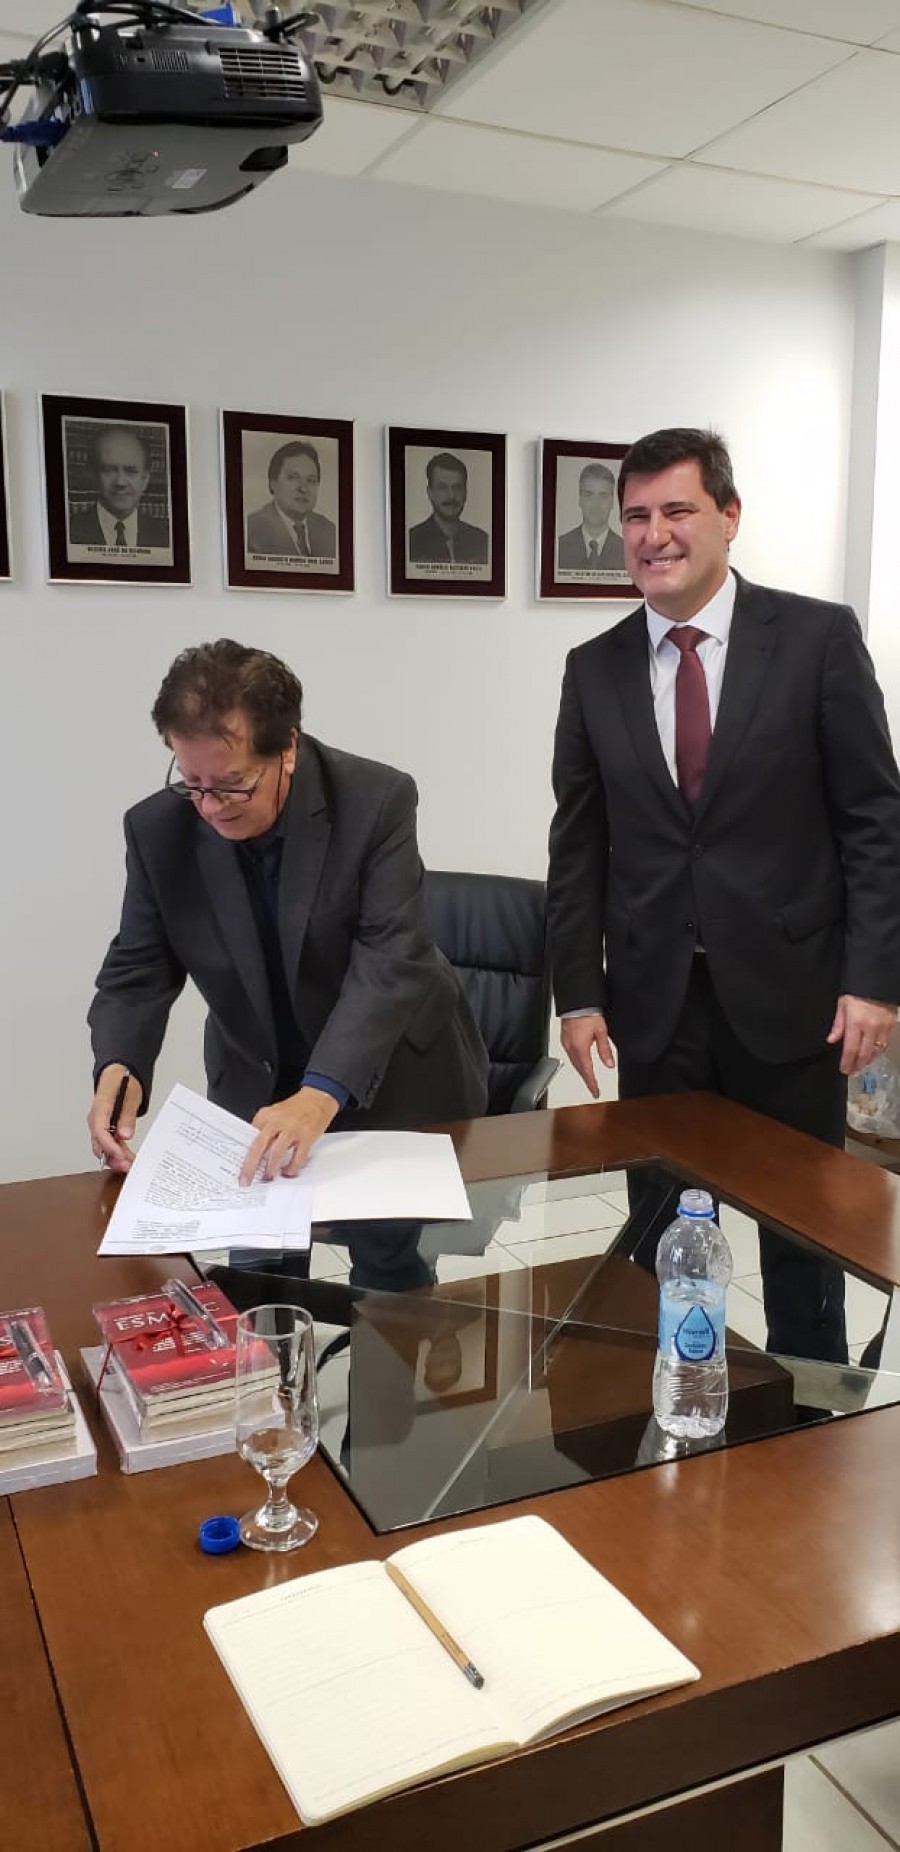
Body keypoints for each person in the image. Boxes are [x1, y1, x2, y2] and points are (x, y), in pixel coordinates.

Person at [547, 426, 900, 1363]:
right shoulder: (594, 668)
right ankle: (674, 1400)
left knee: (803, 1241)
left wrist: (875, 980)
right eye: (635, 517)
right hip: (655, 1006)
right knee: (661, 1234)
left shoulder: (817, 640)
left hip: (796, 1001)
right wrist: (578, 994)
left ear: (729, 516)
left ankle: (812, 1409)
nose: (653, 535)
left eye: (677, 510)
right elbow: (577, 844)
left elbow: (875, 819)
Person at [88, 640, 489, 1183]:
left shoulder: (374, 801)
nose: (210, 806)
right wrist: (120, 1063)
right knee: (257, 1237)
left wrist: (321, 1092)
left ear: (288, 749)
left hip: (389, 1076)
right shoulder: (157, 830)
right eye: (192, 783)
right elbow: (139, 966)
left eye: (233, 785)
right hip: (254, 1084)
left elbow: (392, 958)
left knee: (394, 1238)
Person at [68, 424, 170, 550]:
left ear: (145, 480)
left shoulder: (167, 535)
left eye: (131, 471)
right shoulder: (69, 530)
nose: (120, 482)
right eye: (109, 470)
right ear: (93, 476)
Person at [245, 440, 336, 560]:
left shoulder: (330, 530)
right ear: (273, 483)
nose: (303, 488)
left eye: (311, 480)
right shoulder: (250, 531)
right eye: (292, 478)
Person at [408, 452, 489, 566]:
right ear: (430, 492)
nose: (451, 495)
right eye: (442, 487)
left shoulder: (482, 541)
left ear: (465, 492)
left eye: (457, 487)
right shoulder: (412, 541)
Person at [557, 461, 626, 571]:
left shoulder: (626, 551)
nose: (596, 504)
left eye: (603, 496)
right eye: (588, 495)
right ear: (580, 499)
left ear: (612, 501)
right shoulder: (560, 546)